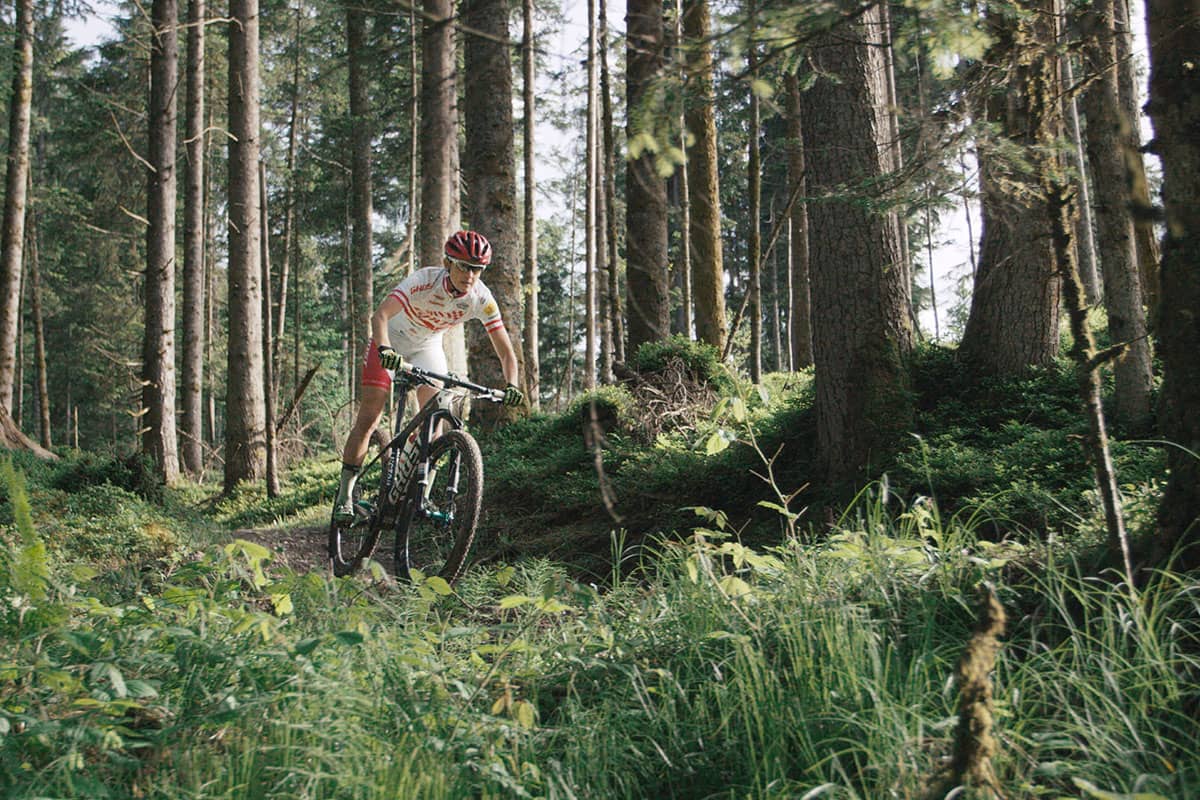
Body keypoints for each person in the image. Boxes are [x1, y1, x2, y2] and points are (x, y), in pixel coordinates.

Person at [333, 230, 524, 521]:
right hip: (390, 341)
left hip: (426, 347)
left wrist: (512, 385)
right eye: (463, 266)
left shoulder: (481, 299)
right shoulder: (424, 280)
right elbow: (380, 317)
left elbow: (506, 352)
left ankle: (414, 497)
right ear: (448, 263)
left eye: (477, 269)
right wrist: (385, 349)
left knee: (435, 421)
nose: (470, 275)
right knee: (370, 417)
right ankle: (345, 497)